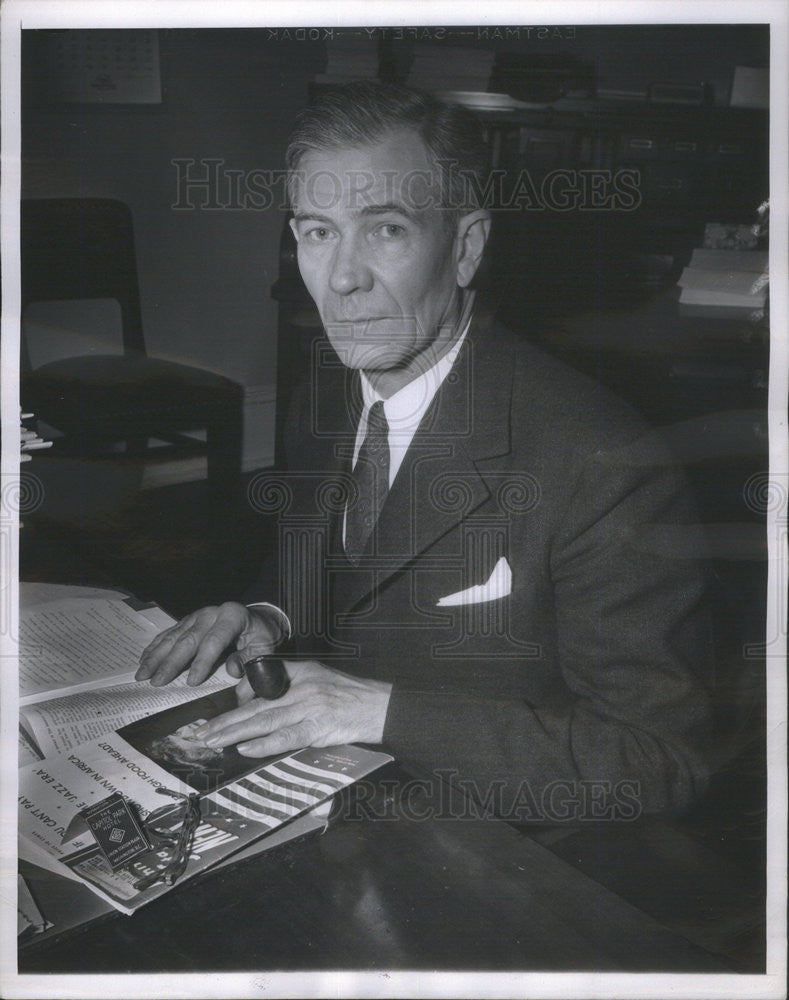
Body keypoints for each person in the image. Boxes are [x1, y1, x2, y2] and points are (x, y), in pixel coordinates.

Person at [137, 81, 712, 822]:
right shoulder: (328, 392)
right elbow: (327, 563)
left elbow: (659, 762)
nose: (341, 280)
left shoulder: (603, 462)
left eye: (385, 230)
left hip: (492, 848)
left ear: (465, 246)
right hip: (326, 797)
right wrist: (270, 617)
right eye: (316, 231)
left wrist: (379, 713)